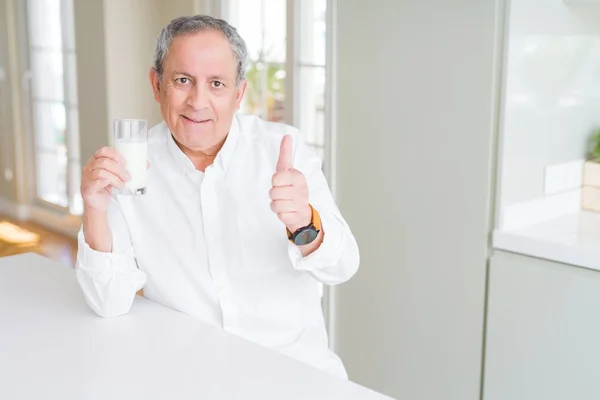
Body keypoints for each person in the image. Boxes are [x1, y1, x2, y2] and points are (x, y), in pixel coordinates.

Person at [76, 15, 359, 378]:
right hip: (194, 378)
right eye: (182, 80)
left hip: (297, 375)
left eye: (217, 83)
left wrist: (304, 222)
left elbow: (342, 267)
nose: (198, 101)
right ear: (156, 84)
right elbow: (107, 303)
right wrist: (95, 209)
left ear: (238, 93)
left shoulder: (282, 149)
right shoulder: (130, 165)